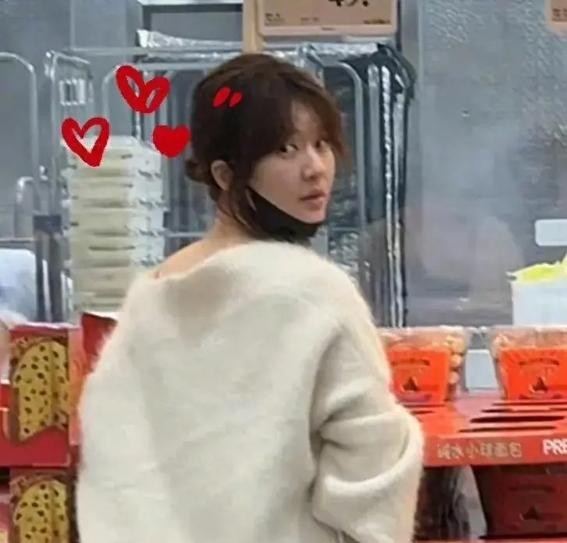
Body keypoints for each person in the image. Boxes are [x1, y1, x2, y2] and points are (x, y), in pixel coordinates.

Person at [76, 53, 424, 543]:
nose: (314, 169)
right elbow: (373, 473)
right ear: (225, 174)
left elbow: (110, 460)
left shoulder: (150, 296)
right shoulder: (314, 293)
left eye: (321, 144)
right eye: (285, 149)